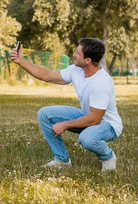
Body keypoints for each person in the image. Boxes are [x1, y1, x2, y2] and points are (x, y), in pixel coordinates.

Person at [11, 37, 122, 171]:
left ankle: (108, 157)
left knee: (86, 138)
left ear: (88, 60)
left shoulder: (101, 83)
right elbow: (48, 75)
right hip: (89, 116)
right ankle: (62, 160)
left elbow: (95, 119)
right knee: (45, 114)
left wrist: (65, 124)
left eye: (78, 53)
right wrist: (21, 61)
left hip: (107, 125)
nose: (74, 55)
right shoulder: (76, 70)